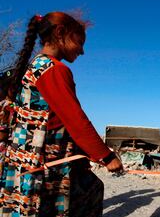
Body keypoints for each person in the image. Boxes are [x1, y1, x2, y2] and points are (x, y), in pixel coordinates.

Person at [0, 12, 123, 217]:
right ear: (60, 33)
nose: (82, 51)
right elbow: (74, 118)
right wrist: (106, 156)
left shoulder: (34, 66)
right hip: (44, 161)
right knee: (89, 192)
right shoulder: (53, 69)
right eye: (79, 42)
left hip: (26, 159)